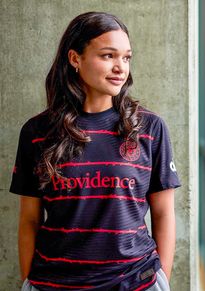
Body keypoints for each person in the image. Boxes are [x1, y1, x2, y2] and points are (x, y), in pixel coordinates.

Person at [9, 12, 181, 291]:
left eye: (126, 57)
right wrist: (30, 280)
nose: (120, 68)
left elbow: (163, 214)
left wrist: (162, 280)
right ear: (75, 58)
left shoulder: (150, 128)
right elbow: (29, 219)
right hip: (54, 283)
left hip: (135, 282)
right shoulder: (37, 132)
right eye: (108, 56)